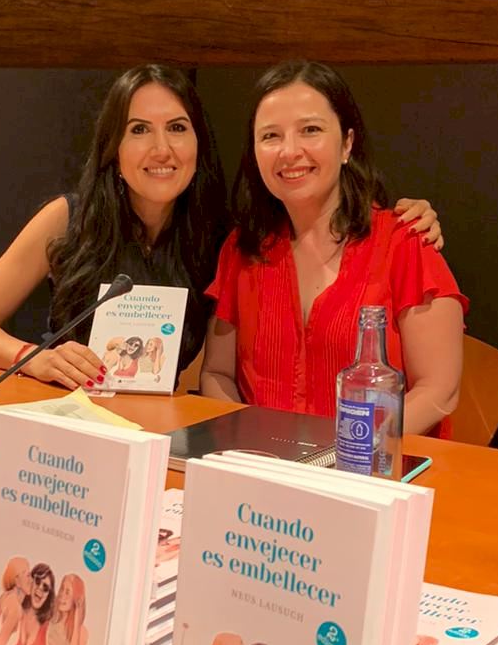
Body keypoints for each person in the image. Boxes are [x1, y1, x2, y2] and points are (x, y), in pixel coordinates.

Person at [0, 65, 444, 391]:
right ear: (113, 149)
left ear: (198, 143)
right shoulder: (68, 218)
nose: (161, 149)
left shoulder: (220, 237)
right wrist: (32, 358)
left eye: (177, 128)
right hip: (61, 418)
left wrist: (409, 215)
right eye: (139, 130)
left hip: (158, 434)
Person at [200, 61, 467, 435]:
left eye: (310, 130)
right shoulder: (241, 249)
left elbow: (440, 390)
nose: (289, 151)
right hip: (262, 463)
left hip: (372, 463)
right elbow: (217, 373)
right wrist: (245, 445)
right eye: (270, 136)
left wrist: (348, 452)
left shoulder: (405, 241)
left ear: (347, 143)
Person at [13, 562, 55, 645]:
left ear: (49, 595)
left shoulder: (49, 626)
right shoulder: (17, 610)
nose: (40, 588)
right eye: (37, 581)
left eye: (45, 587)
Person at [0, 556, 30, 645]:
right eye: (27, 575)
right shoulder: (15, 607)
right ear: (17, 580)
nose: (31, 580)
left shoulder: (5, 597)